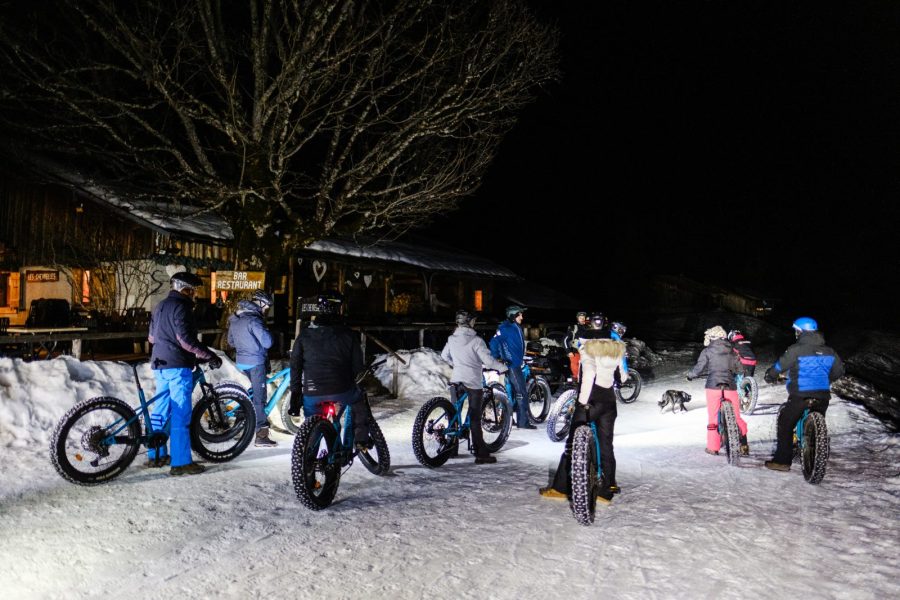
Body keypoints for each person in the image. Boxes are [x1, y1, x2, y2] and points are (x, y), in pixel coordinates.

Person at [148, 271, 222, 476]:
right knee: (181, 413)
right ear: (185, 289)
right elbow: (186, 341)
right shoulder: (182, 308)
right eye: (194, 290)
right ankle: (181, 463)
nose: (195, 295)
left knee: (160, 411)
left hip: (159, 363)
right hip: (177, 367)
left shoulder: (160, 305)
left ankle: (156, 454)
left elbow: (152, 338)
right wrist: (208, 355)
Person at [540, 337, 627, 504]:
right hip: (609, 400)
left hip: (592, 398)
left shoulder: (589, 349)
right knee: (606, 444)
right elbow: (622, 377)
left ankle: (561, 488)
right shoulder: (616, 349)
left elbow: (589, 376)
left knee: (572, 444)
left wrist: (582, 403)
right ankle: (606, 490)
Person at [287, 291, 373, 448]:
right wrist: (359, 383)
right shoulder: (349, 335)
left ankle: (308, 459)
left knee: (312, 428)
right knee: (358, 401)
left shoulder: (304, 335)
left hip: (312, 393)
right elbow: (357, 367)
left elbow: (295, 366)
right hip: (342, 390)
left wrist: (296, 392)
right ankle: (361, 440)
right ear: (339, 309)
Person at [763, 317, 844, 472]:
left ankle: (782, 462)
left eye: (796, 331)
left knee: (785, 424)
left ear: (800, 332)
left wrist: (770, 376)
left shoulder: (795, 349)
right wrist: (825, 379)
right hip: (822, 396)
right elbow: (839, 371)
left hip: (800, 394)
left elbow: (780, 366)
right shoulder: (829, 351)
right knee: (818, 424)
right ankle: (817, 450)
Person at [441, 309, 509, 464]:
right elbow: (489, 361)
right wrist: (502, 368)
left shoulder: (452, 339)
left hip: (456, 379)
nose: (474, 323)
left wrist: (457, 365)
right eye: (473, 321)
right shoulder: (476, 341)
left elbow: (444, 356)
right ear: (469, 322)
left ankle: (452, 449)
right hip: (472, 381)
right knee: (475, 417)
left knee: (454, 413)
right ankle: (481, 453)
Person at [685, 325, 749, 456]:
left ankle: (713, 447)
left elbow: (699, 368)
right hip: (730, 386)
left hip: (713, 387)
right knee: (737, 417)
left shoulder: (707, 351)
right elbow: (740, 369)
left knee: (713, 418)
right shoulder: (732, 350)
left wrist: (690, 375)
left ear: (711, 337)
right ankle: (743, 444)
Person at [227, 290, 276, 447]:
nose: (266, 310)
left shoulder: (236, 318)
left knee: (252, 393)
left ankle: (243, 421)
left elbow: (231, 342)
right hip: (255, 363)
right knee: (259, 398)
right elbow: (268, 342)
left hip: (242, 361)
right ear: (260, 303)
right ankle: (261, 434)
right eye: (266, 307)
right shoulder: (254, 320)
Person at [490, 305, 536, 429]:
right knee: (521, 392)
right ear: (513, 316)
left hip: (516, 363)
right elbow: (493, 342)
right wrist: (497, 357)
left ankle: (509, 419)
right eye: (519, 314)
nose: (522, 316)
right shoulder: (504, 328)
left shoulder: (516, 327)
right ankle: (523, 422)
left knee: (513, 393)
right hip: (511, 365)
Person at [564, 311, 589, 380]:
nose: (582, 319)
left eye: (583, 317)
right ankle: (576, 383)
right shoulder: (574, 328)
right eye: (580, 318)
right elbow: (565, 340)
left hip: (587, 353)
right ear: (577, 318)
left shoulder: (589, 328)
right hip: (576, 353)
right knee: (576, 372)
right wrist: (568, 351)